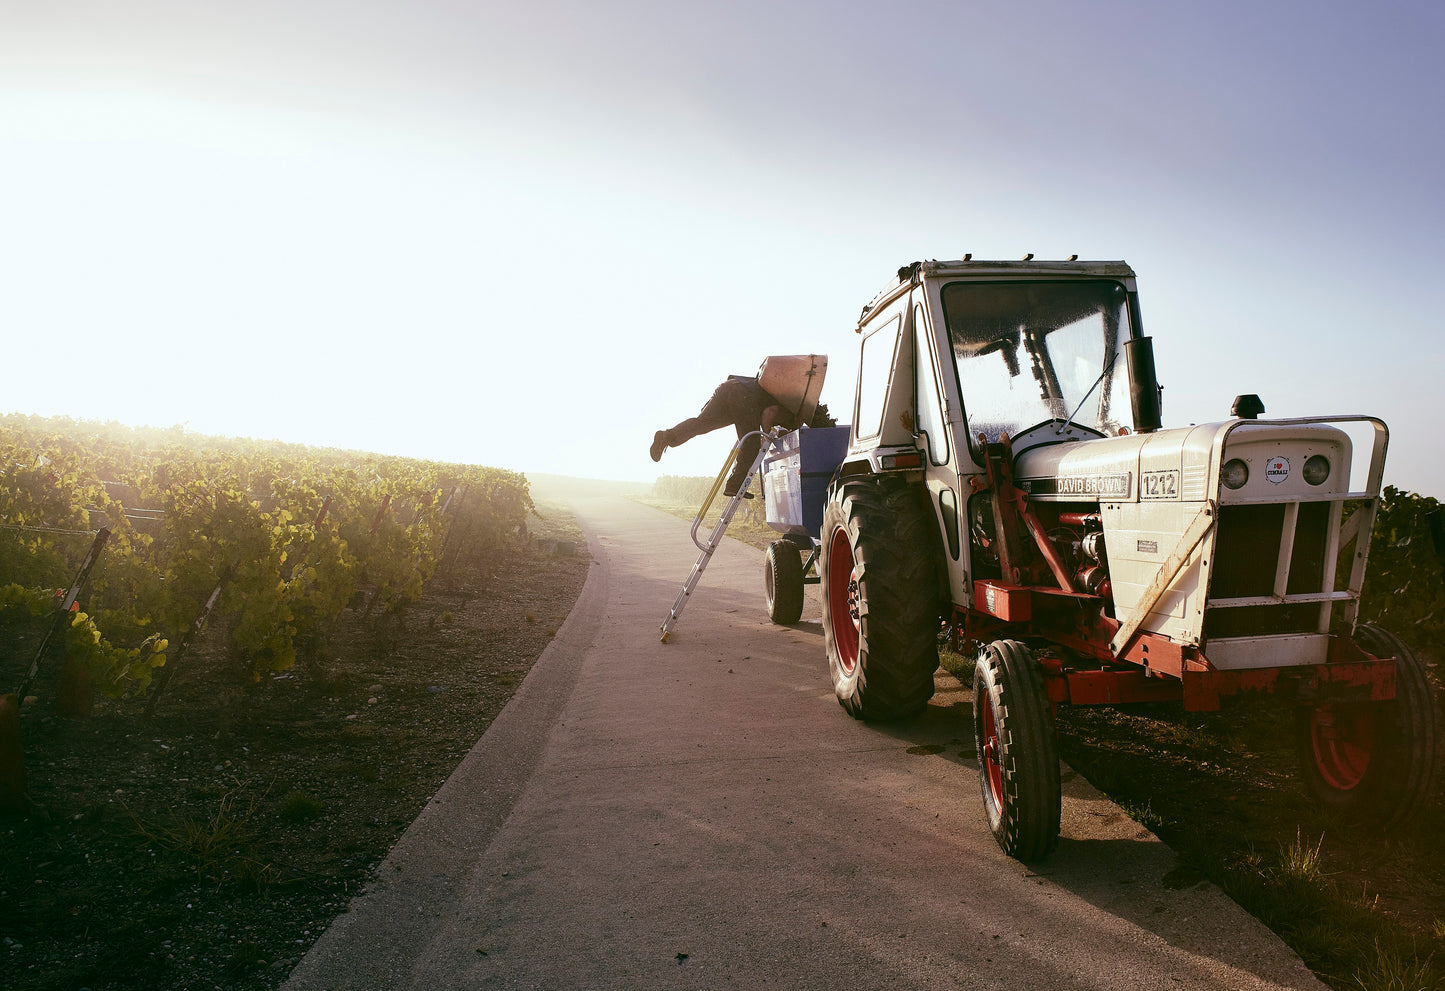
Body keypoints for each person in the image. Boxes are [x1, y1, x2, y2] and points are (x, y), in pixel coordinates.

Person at [651, 373, 833, 498]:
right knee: (752, 443)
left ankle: (667, 437)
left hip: (729, 387)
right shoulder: (794, 408)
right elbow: (768, 414)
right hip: (742, 395)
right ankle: (734, 485)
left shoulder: (791, 399)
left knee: (702, 424)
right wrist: (767, 438)